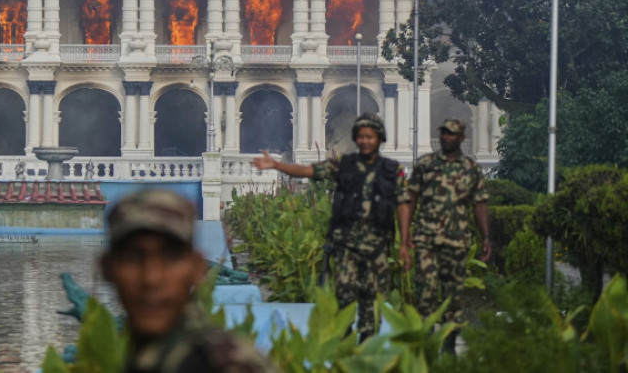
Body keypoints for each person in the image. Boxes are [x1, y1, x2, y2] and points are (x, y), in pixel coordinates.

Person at [251, 114, 404, 340]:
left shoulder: (392, 170)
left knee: (373, 303)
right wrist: (276, 165)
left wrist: (406, 240)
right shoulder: (344, 165)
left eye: (370, 137)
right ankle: (345, 347)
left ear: (379, 139)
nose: (365, 141)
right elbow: (309, 171)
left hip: (376, 248)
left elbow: (404, 202)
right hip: (345, 247)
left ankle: (368, 349)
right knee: (344, 301)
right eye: (361, 137)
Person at [101, 189, 276, 373]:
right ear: (106, 268)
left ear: (197, 268)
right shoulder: (147, 357)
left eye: (171, 257)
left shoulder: (227, 364)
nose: (151, 278)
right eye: (132, 258)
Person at [397, 118, 490, 349]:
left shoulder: (471, 169)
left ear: (461, 138)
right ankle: (426, 342)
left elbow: (479, 204)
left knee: (453, 295)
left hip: (457, 240)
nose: (446, 137)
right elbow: (411, 199)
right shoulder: (425, 164)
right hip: (427, 239)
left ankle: (448, 344)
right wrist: (405, 235)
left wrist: (486, 236)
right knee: (426, 291)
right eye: (444, 133)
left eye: (452, 134)